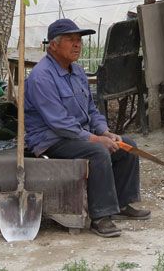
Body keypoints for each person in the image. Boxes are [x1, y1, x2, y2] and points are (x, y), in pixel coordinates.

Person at [23, 18, 151, 238]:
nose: (77, 45)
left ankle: (121, 204)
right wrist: (94, 140)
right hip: (50, 140)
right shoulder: (41, 77)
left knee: (126, 144)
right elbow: (59, 123)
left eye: (79, 40)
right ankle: (100, 216)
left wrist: (104, 131)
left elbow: (91, 109)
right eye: (70, 40)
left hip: (76, 135)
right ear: (53, 45)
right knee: (99, 152)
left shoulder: (77, 71)